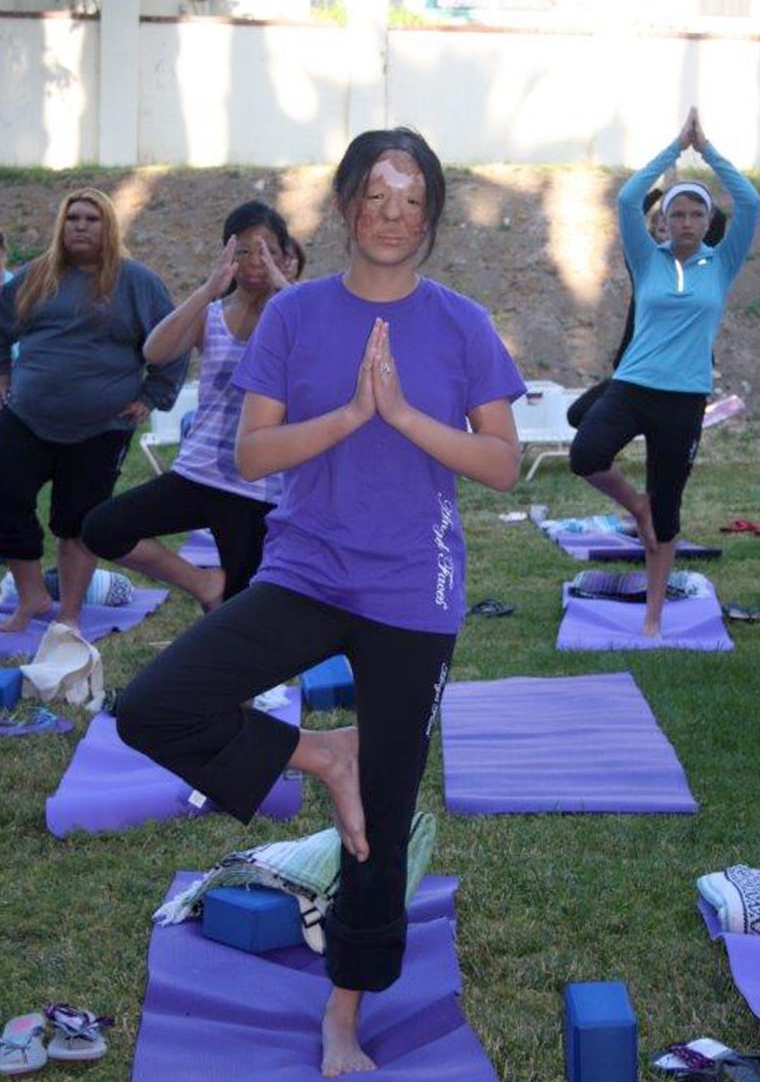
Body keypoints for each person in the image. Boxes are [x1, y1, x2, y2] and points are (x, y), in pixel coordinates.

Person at [115, 126, 525, 1077]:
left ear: (430, 214)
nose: (393, 215)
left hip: (412, 592)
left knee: (380, 816)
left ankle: (344, 1012)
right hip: (304, 571)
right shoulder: (295, 316)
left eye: (412, 198)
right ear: (344, 206)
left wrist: (406, 418)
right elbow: (253, 454)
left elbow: (502, 463)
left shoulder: (460, 321)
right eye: (375, 197)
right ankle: (318, 753)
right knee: (152, 705)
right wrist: (345, 416)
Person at [569, 107, 760, 637]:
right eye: (678, 215)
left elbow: (751, 201)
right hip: (633, 386)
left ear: (707, 223)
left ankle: (653, 615)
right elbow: (629, 198)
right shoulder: (646, 258)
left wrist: (709, 151)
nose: (686, 223)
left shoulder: (719, 265)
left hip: (684, 398)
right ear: (666, 222)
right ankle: (637, 504)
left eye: (696, 215)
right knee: (585, 454)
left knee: (670, 514)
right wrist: (675, 149)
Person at [82, 201, 299, 610]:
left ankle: (240, 652)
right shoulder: (212, 314)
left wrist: (285, 289)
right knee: (102, 528)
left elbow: (325, 358)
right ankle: (202, 584)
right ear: (227, 256)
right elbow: (155, 351)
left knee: (242, 608)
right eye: (244, 251)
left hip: (259, 485)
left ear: (286, 257)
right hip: (198, 473)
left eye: (267, 249)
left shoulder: (298, 311)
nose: (255, 260)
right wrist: (207, 290)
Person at [0, 188, 187, 632]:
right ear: (60, 226)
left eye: (91, 219)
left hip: (102, 426)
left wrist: (153, 394)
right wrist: (3, 377)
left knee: (78, 520)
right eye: (73, 218)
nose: (80, 226)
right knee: (4, 498)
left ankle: (69, 613)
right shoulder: (33, 278)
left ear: (109, 227)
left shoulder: (137, 282)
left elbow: (176, 340)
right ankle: (32, 597)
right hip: (27, 416)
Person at [566, 190, 727, 429]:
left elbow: (719, 221)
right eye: (662, 230)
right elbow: (631, 216)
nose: (672, 232)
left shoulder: (703, 264)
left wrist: (687, 191)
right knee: (578, 414)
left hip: (680, 376)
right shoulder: (644, 265)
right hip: (637, 370)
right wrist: (657, 193)